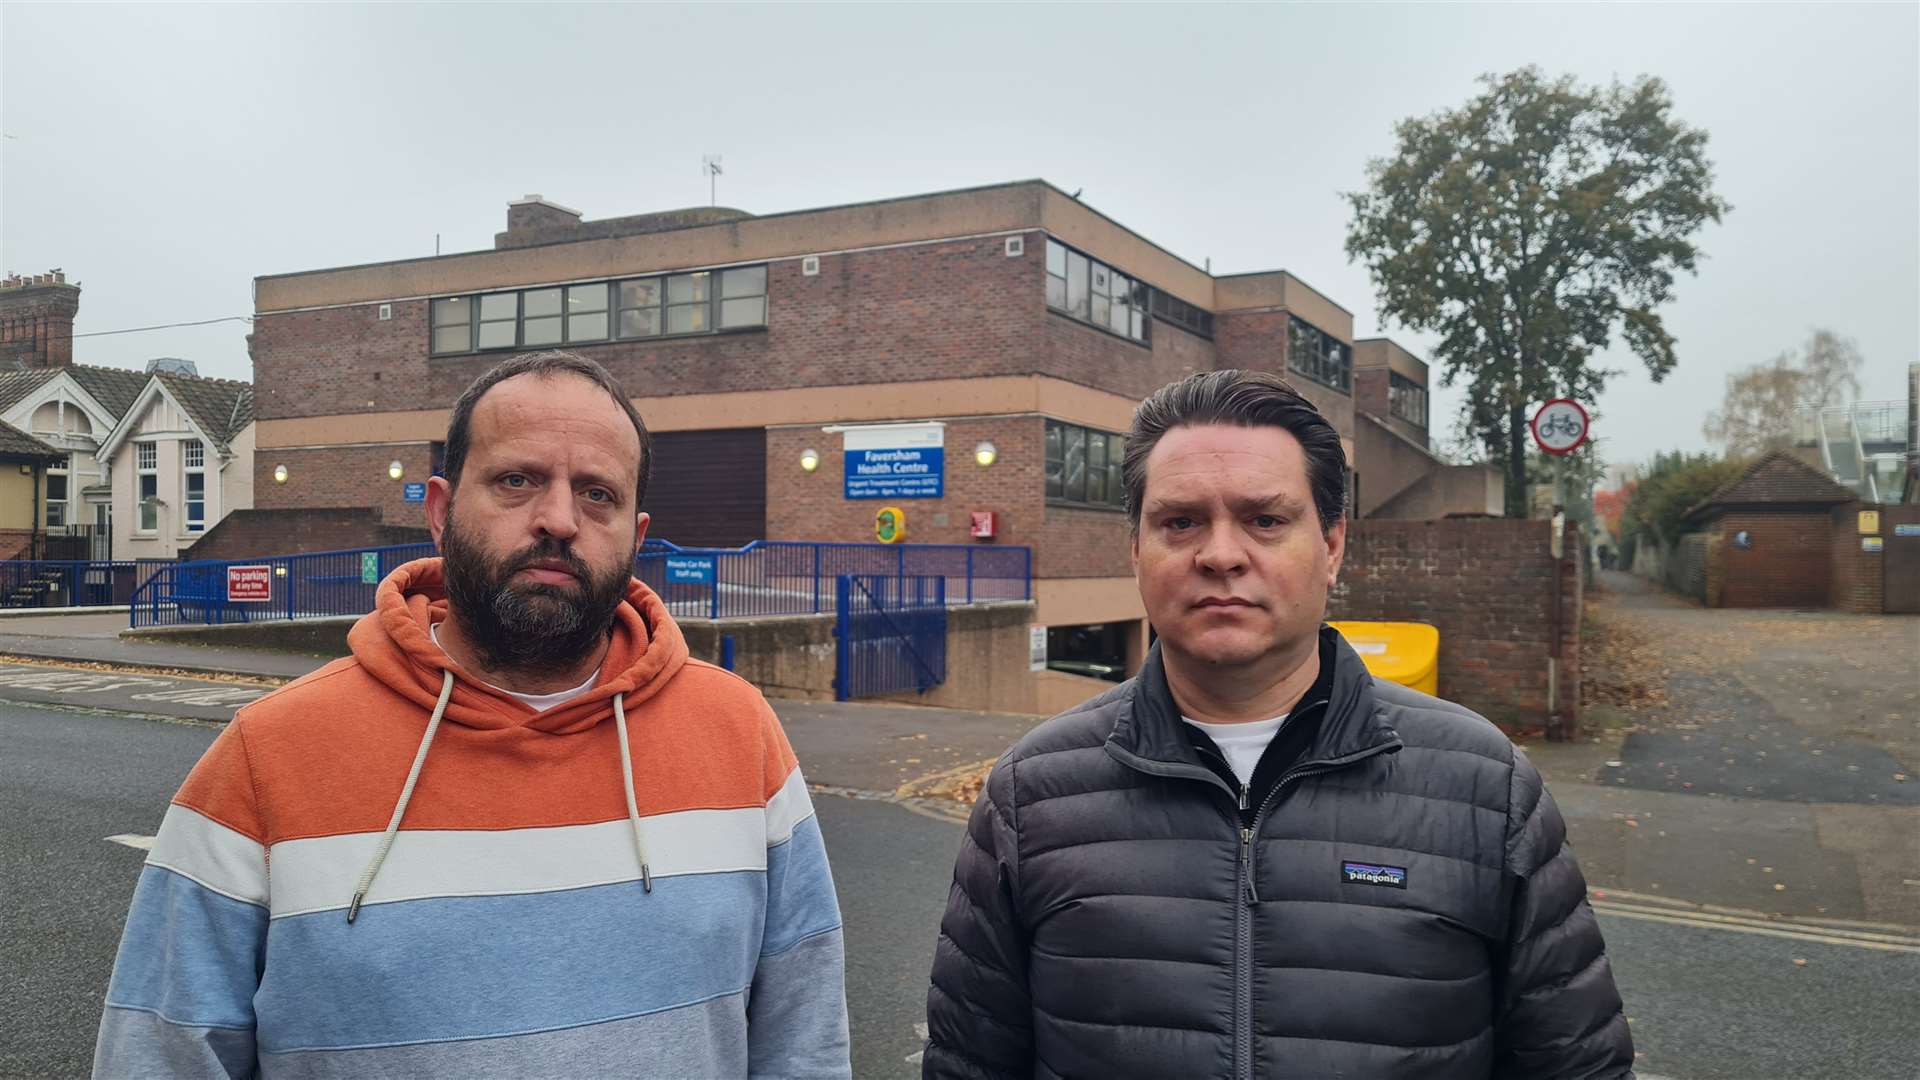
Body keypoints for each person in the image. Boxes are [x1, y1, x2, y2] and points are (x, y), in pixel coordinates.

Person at [95, 351, 850, 1079]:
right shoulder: (268, 752)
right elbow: (161, 1053)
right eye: (517, 480)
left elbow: (804, 1046)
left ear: (636, 533)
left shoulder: (740, 734)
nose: (559, 518)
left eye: (598, 493)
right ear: (441, 510)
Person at [925, 369, 1631, 1079]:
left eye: (1265, 519)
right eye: (1180, 522)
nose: (1221, 554)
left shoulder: (1487, 788)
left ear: (1331, 545)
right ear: (1135, 549)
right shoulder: (1031, 797)